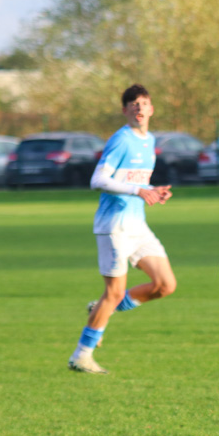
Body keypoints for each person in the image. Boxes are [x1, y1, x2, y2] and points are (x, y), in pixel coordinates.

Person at [68, 84, 176, 374]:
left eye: (144, 103)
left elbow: (134, 182)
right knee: (113, 293)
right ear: (125, 110)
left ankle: (101, 310)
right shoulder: (122, 140)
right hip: (114, 227)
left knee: (165, 285)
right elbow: (98, 180)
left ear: (151, 109)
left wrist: (153, 190)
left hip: (138, 226)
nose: (139, 108)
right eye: (133, 104)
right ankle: (82, 354)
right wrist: (139, 191)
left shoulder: (149, 140)